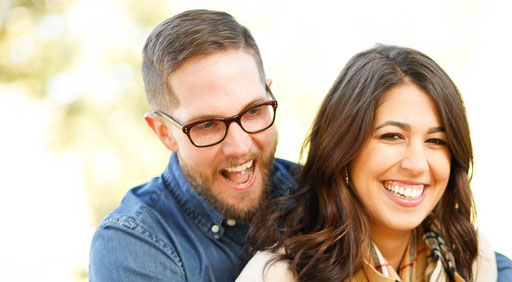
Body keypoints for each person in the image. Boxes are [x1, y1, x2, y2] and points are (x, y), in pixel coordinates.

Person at [237, 45, 509, 281]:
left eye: (436, 141)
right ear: (343, 149)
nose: (417, 165)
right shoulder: (276, 275)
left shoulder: (471, 258)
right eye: (392, 136)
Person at [89, 9, 298, 281]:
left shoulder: (322, 193)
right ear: (165, 132)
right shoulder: (133, 244)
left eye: (253, 110)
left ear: (269, 93)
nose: (240, 146)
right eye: (207, 125)